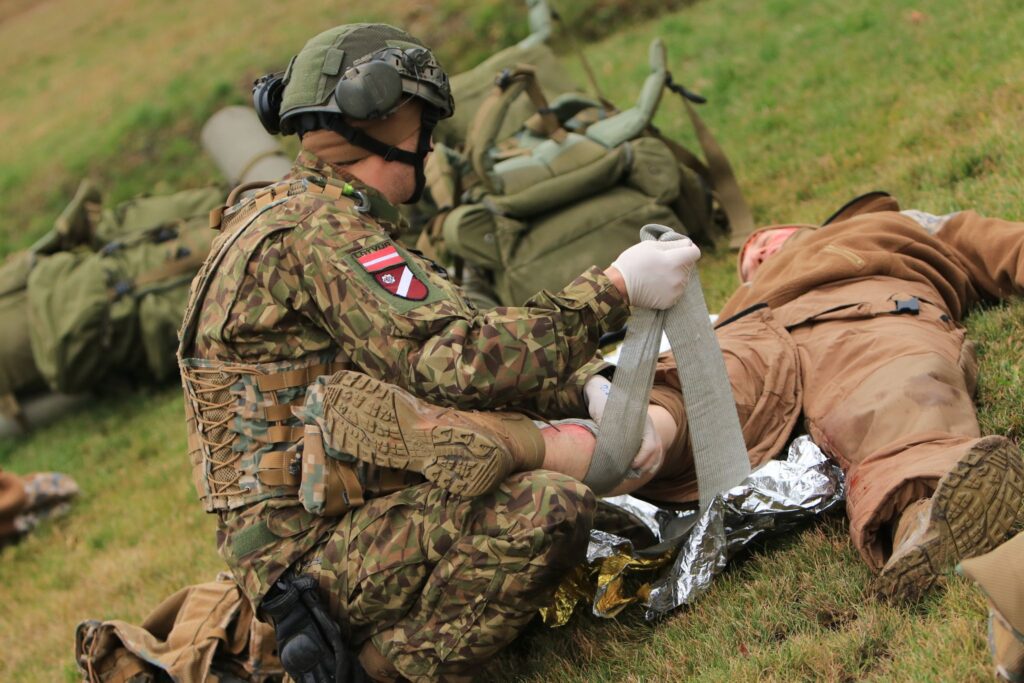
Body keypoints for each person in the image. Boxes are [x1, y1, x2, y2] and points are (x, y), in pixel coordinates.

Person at [180, 23, 700, 682]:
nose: (429, 144)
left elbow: (443, 342)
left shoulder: (305, 214)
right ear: (383, 123)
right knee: (543, 508)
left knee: (524, 472)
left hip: (327, 528)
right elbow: (452, 362)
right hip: (312, 562)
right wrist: (614, 291)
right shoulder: (321, 232)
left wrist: (584, 387)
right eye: (422, 124)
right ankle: (369, 672)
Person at [524, 191, 1024, 603]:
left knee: (892, 388)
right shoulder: (740, 302)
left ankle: (924, 517)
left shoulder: (885, 226)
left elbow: (1005, 247)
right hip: (752, 337)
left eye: (766, 241)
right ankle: (633, 436)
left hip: (854, 312)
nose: (759, 254)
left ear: (805, 228)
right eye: (751, 259)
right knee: (692, 385)